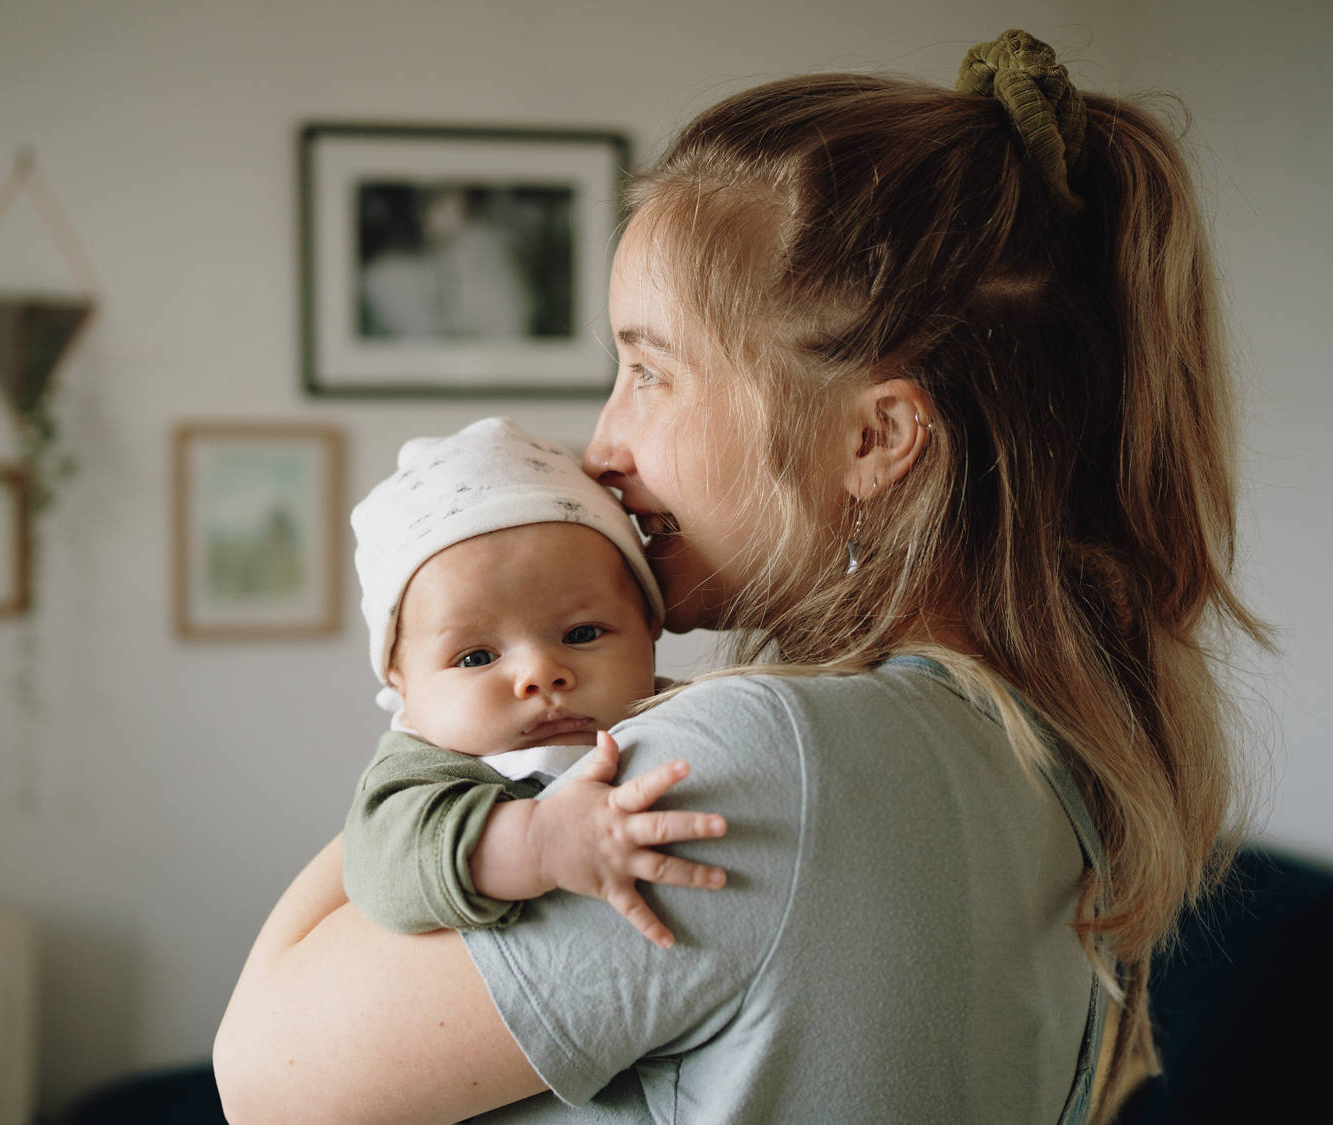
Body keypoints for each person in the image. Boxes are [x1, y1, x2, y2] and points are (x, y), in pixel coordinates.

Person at [214, 29, 1266, 1124]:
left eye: (648, 370)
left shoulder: (766, 761)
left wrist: (430, 724)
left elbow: (262, 1078)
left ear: (875, 438)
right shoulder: (1046, 756)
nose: (601, 447)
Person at [341, 416, 727, 948]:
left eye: (582, 633)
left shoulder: (689, 716)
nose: (541, 673)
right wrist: (540, 842)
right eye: (476, 657)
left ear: (648, 627)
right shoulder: (422, 772)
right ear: (400, 681)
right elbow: (379, 871)